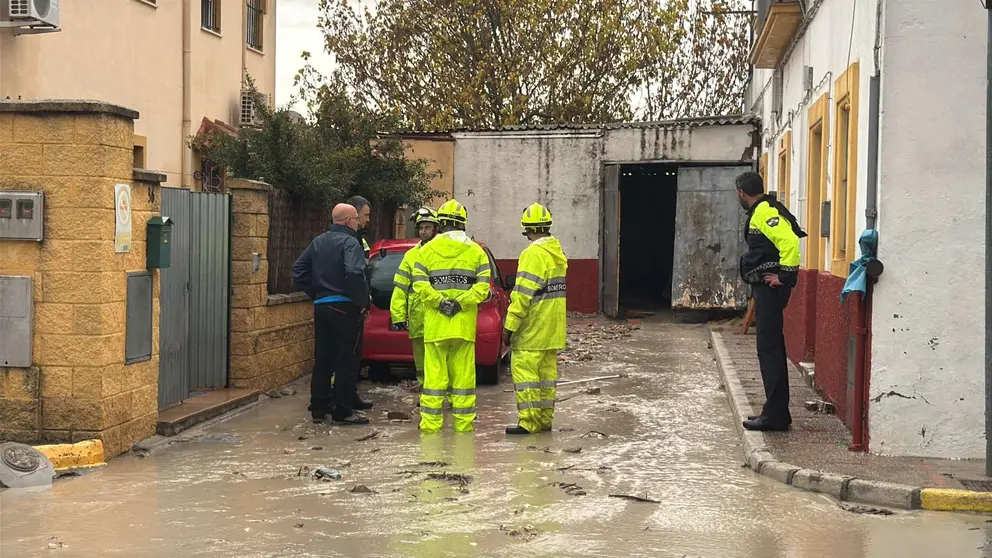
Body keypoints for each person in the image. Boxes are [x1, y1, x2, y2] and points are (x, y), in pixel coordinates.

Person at [411, 200, 491, 433]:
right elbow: (483, 289)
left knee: (434, 380)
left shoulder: (425, 251)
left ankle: (430, 430)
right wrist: (460, 302)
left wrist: (440, 302)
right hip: (463, 326)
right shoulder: (477, 252)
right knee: (464, 380)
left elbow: (419, 286)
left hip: (436, 327)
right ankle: (463, 429)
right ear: (463, 223)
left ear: (440, 224)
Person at [736, 171, 806, 432]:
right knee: (771, 348)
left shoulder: (764, 211)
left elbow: (788, 241)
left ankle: (775, 416)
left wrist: (785, 277)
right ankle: (776, 411)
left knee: (770, 350)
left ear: (741, 192)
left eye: (738, 194)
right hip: (767, 286)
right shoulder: (765, 208)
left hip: (770, 288)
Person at [292, 203, 371, 425]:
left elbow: (299, 271)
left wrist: (316, 293)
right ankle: (343, 411)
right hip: (345, 307)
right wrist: (361, 302)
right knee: (346, 359)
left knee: (323, 358)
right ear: (348, 221)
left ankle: (319, 407)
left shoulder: (318, 241)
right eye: (356, 218)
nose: (358, 222)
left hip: (322, 306)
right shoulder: (350, 242)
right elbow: (355, 273)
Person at [502, 203, 568, 435]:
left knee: (527, 377)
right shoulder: (557, 254)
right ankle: (544, 421)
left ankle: (528, 423)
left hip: (532, 330)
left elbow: (521, 295)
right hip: (552, 329)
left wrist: (509, 326)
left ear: (526, 230)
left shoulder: (532, 254)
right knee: (546, 380)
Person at [390, 207, 441, 388]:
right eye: (421, 228)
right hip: (418, 318)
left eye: (427, 228)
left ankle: (440, 391)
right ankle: (425, 388)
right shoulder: (411, 255)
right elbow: (400, 288)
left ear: (436, 229)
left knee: (439, 358)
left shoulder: (442, 253)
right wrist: (398, 315)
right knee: (421, 359)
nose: (423, 232)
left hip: (439, 315)